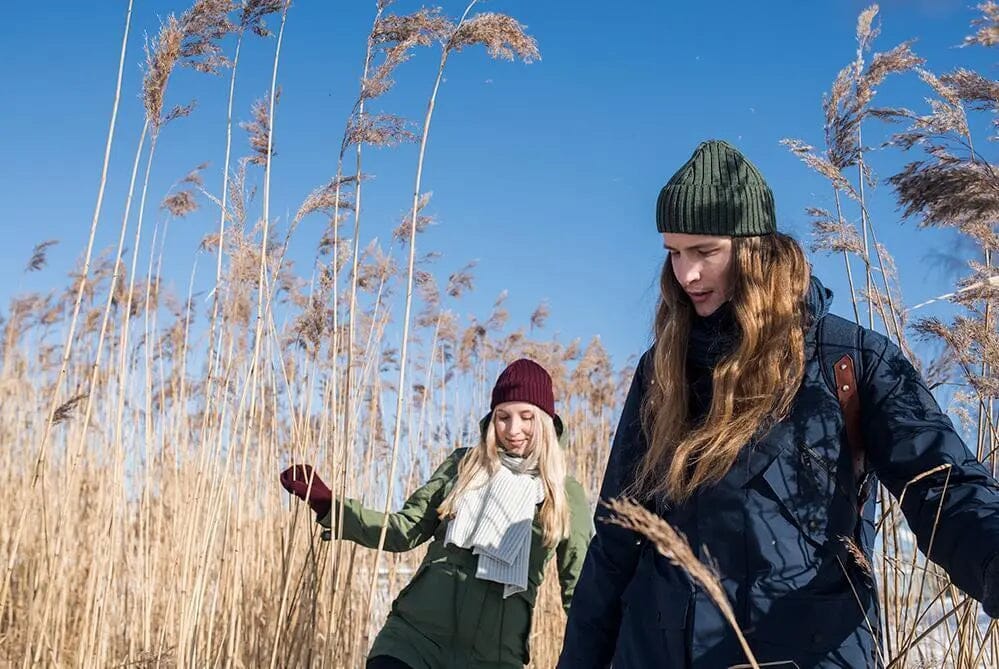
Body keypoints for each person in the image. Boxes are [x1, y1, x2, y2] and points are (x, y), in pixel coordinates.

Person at [558, 139, 999, 668]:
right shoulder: (663, 367)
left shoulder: (850, 360)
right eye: (674, 252)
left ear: (754, 249)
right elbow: (615, 537)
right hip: (656, 652)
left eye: (704, 251)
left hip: (798, 653)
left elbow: (944, 489)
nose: (686, 274)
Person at [281, 358, 592, 669]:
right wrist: (330, 506)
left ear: (546, 421)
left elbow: (582, 589)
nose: (513, 430)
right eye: (503, 416)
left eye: (527, 417)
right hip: (413, 640)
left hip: (494, 658)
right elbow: (405, 529)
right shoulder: (465, 466)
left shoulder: (564, 493)